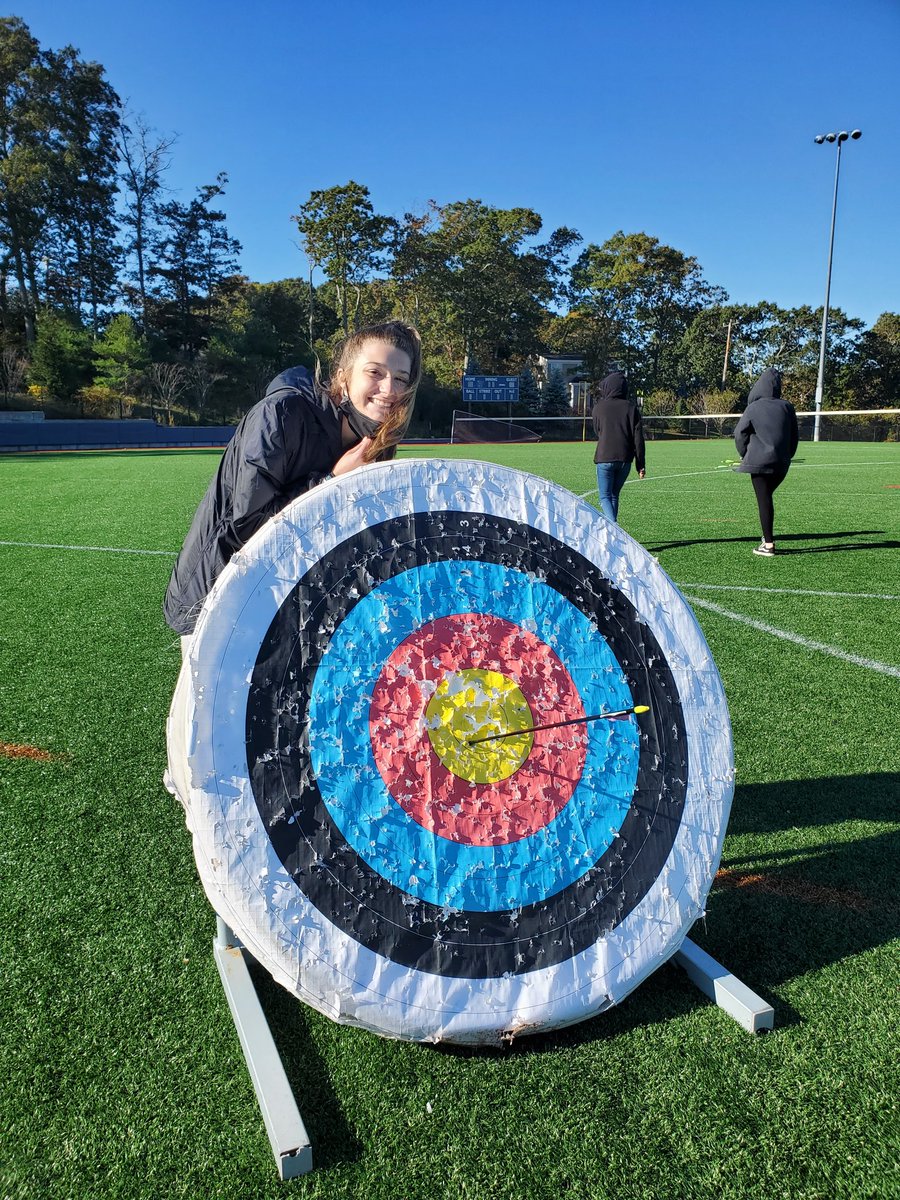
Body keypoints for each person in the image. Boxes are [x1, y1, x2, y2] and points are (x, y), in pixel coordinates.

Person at [163, 320, 422, 638]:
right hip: (215, 597)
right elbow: (248, 528)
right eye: (375, 372)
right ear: (343, 376)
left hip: (279, 601)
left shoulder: (374, 442)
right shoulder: (281, 414)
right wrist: (331, 481)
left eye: (400, 379)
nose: (389, 389)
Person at [733, 367, 798, 557]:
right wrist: (788, 456)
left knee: (764, 499)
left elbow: (739, 434)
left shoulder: (753, 407)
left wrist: (744, 453)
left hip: (759, 463)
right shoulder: (787, 407)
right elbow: (794, 436)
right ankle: (766, 539)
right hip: (782, 464)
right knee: (766, 496)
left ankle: (768, 544)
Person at [591, 369, 645, 522]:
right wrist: (640, 464)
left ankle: (614, 529)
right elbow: (638, 439)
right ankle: (614, 532)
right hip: (624, 460)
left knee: (604, 496)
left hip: (604, 457)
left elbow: (598, 431)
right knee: (614, 494)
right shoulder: (631, 408)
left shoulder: (598, 408)